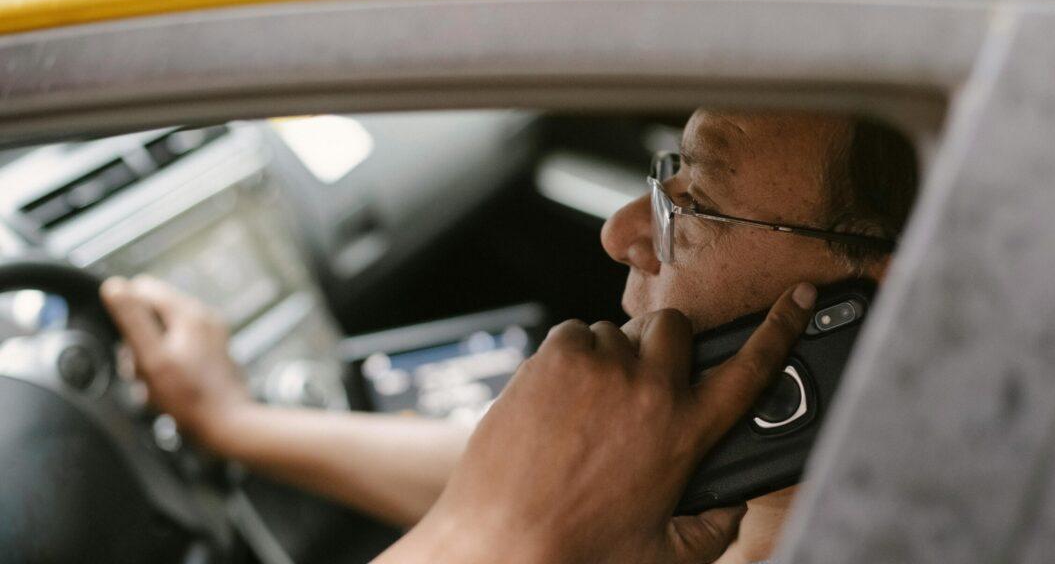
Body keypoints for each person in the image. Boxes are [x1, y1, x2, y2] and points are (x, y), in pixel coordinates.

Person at [100, 108, 918, 563]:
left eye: (693, 200)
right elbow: (561, 480)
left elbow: (530, 507)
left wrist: (496, 540)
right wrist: (242, 426)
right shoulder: (791, 498)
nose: (623, 231)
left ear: (899, 296)